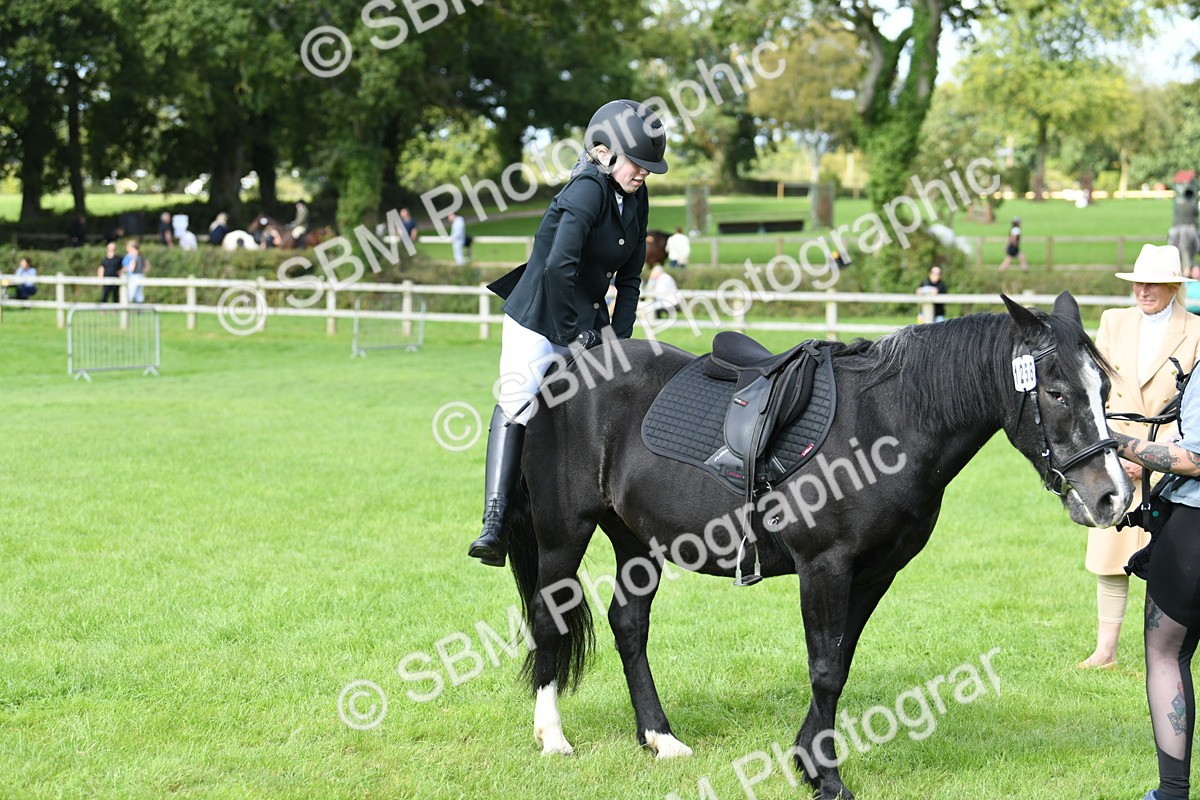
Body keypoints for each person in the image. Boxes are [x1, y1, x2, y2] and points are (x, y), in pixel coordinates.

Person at [467, 99, 668, 567]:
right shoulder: (585, 191)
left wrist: (620, 340)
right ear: (604, 153)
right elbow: (560, 269)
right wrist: (577, 338)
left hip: (590, 317)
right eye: (639, 164)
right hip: (540, 315)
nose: (645, 174)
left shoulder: (636, 195)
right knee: (519, 399)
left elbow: (631, 278)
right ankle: (494, 521)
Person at [1079, 244, 1200, 676]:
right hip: (1114, 450)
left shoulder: (1196, 329)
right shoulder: (1113, 321)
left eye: (1151, 283)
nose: (1142, 290)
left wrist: (1152, 459)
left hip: (1171, 454)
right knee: (1110, 548)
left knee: (1169, 553)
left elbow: (1193, 408)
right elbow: (1100, 388)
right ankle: (1105, 650)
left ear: (1173, 286)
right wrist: (1113, 449)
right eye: (1137, 282)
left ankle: (1166, 647)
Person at [1108, 255, 1200, 800]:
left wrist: (1120, 444)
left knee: (1166, 652)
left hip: (1194, 529)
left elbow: (1194, 458)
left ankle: (1171, 791)